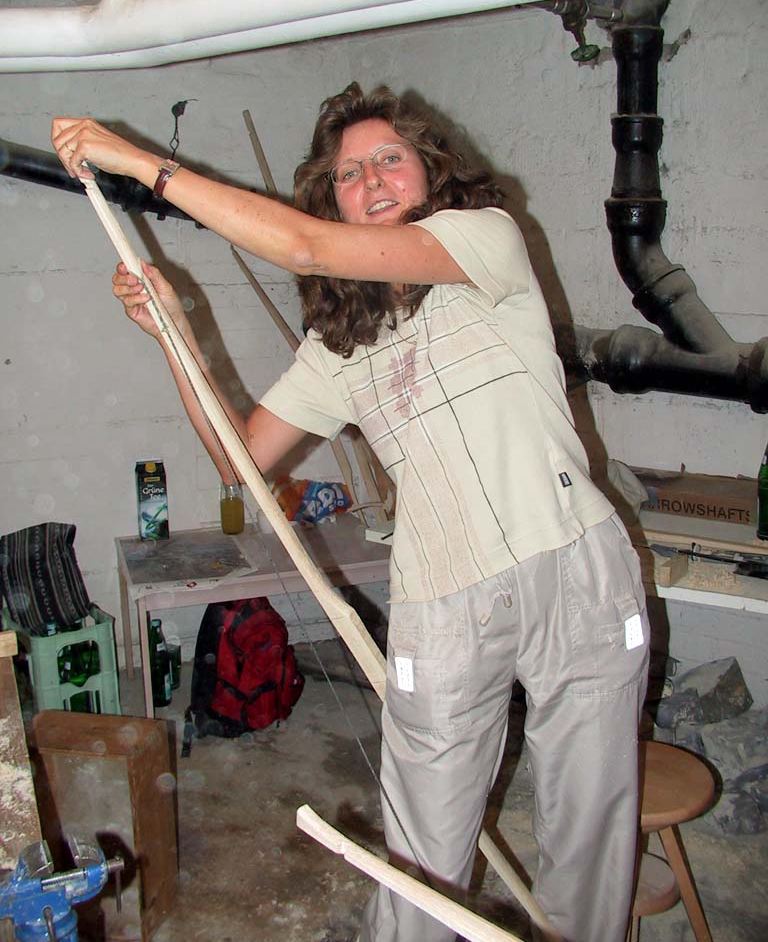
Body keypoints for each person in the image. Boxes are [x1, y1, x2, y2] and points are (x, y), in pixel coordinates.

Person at [52, 83, 650, 942]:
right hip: (442, 595)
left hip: (573, 566)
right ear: (332, 197)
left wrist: (142, 165)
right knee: (419, 859)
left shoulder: (483, 242)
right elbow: (240, 456)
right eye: (347, 173)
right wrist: (174, 333)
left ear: (430, 171)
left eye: (389, 160)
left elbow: (302, 247)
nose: (370, 180)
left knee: (588, 836)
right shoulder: (340, 348)